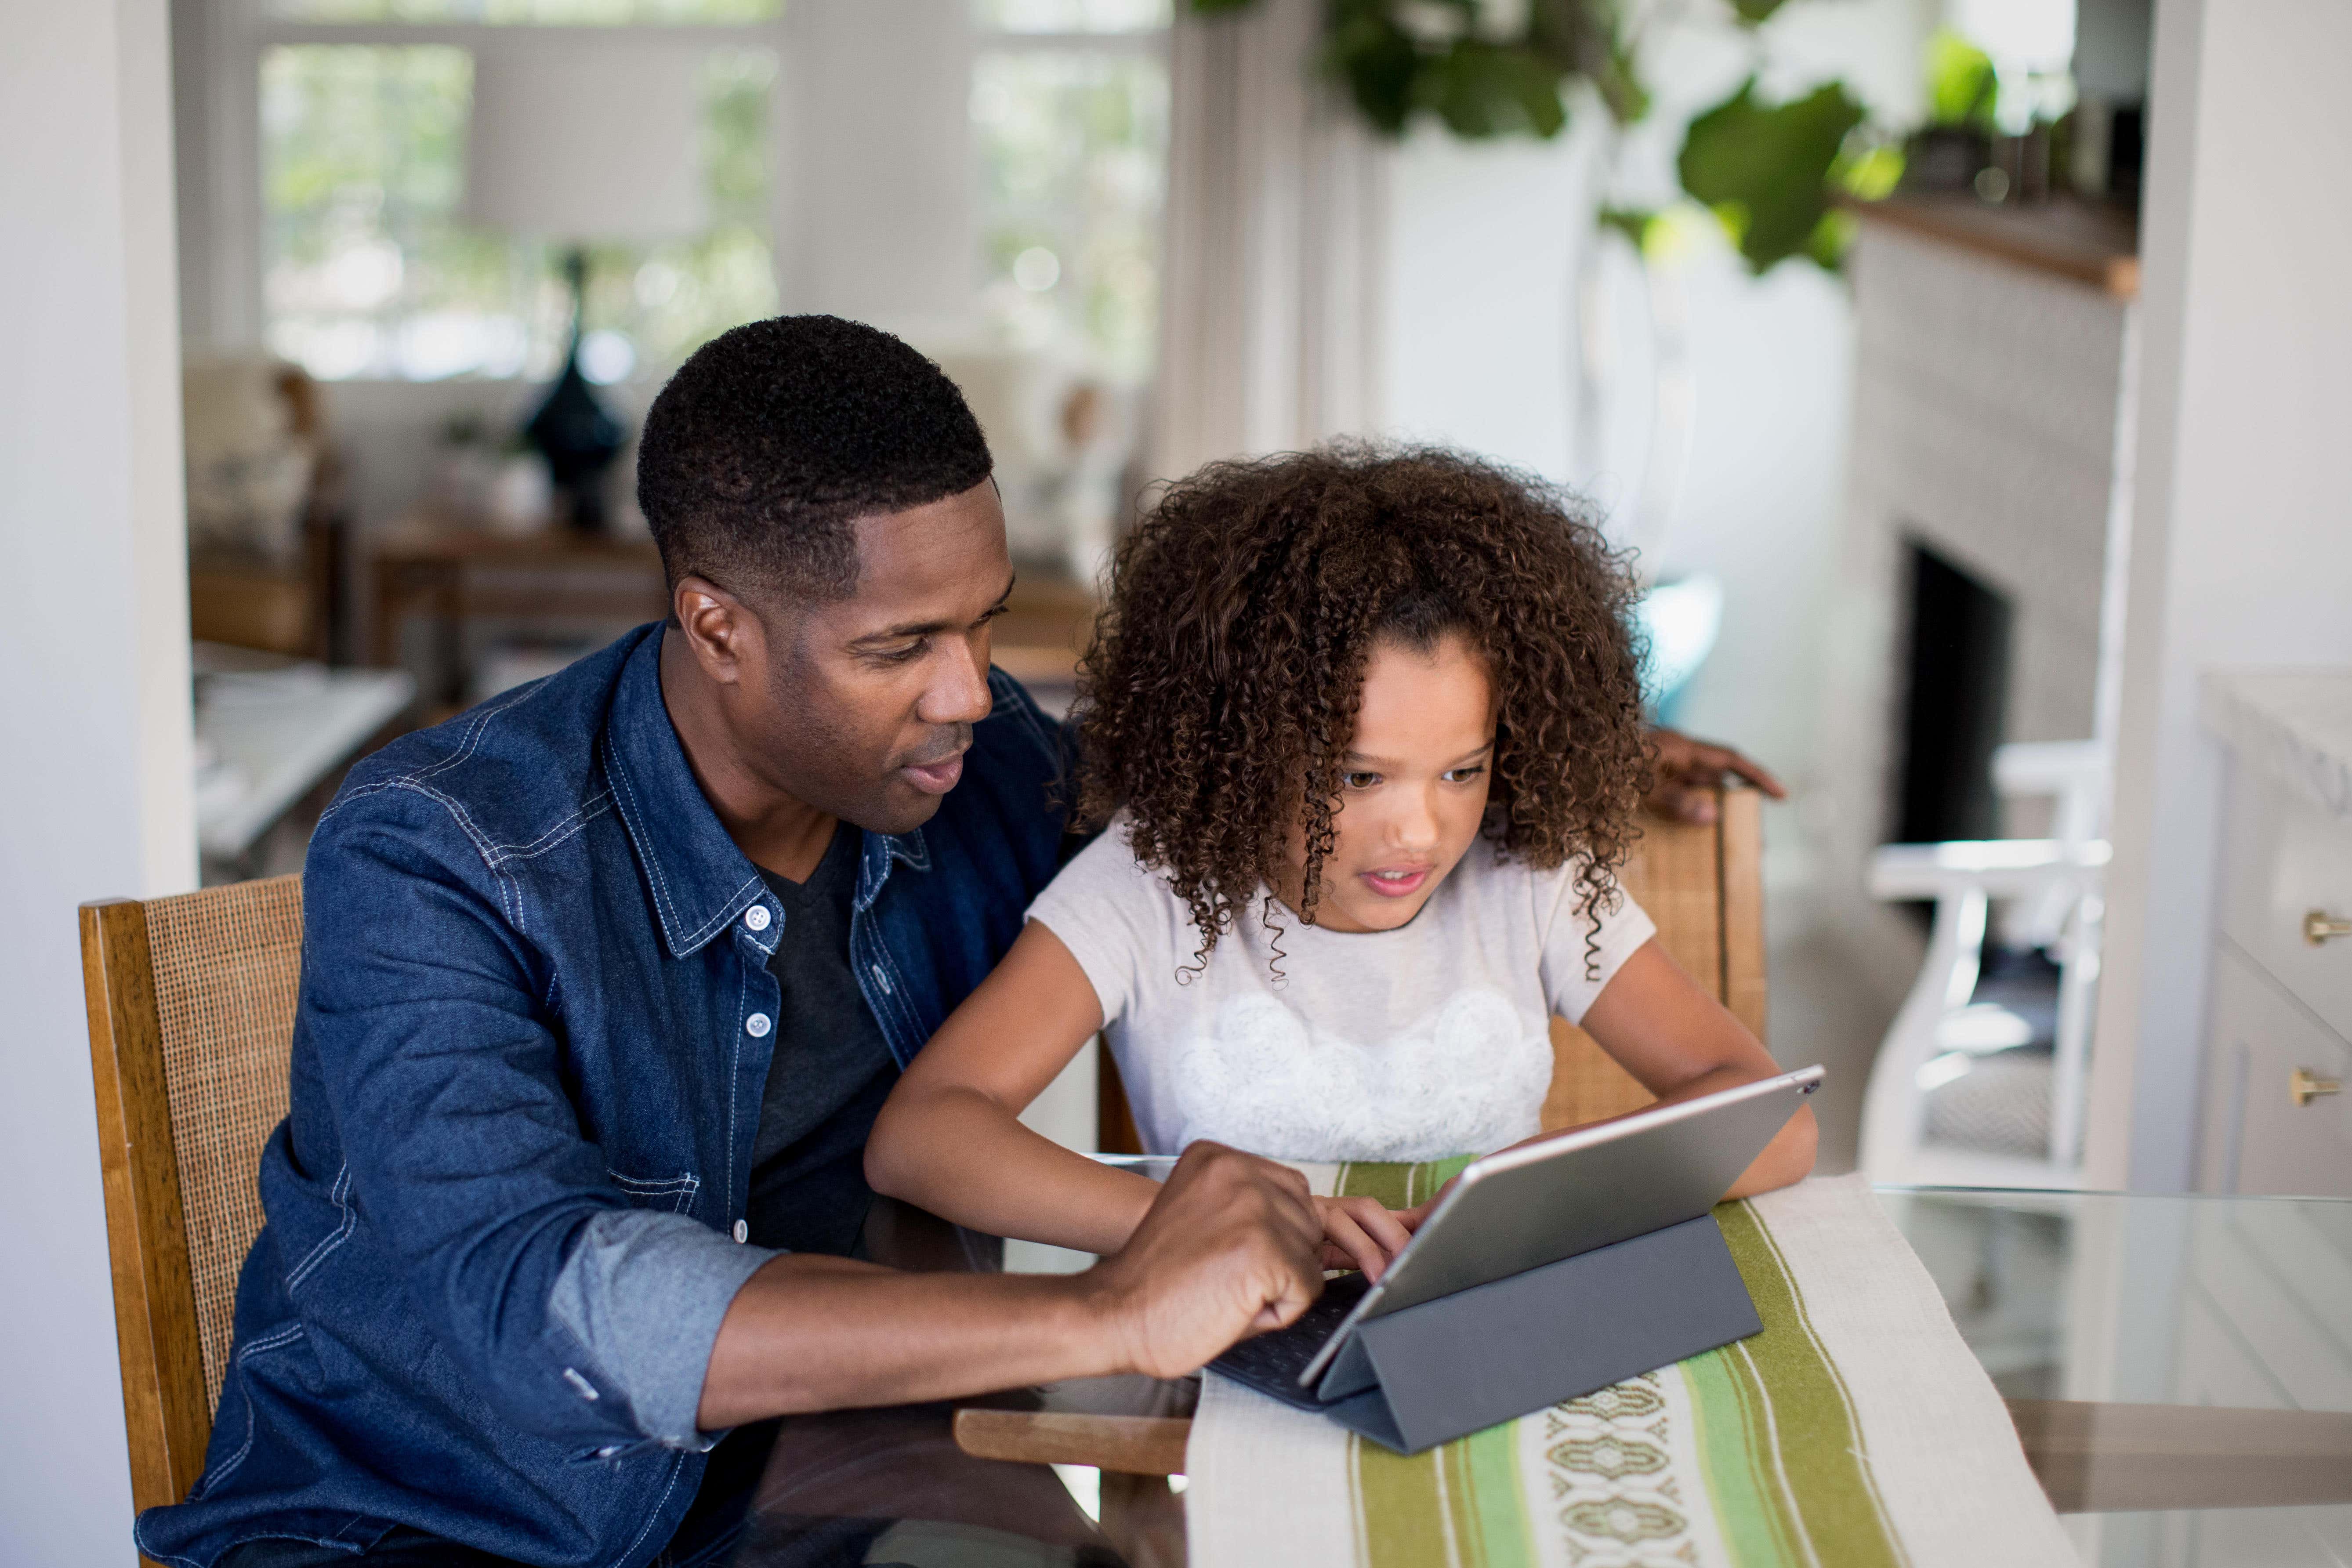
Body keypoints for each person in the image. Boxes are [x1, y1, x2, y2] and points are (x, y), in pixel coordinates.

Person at [143, 317, 1786, 1568]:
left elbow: (1253, 766)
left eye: (988, 621)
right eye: (901, 645)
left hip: (835, 1478)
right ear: (714, 623)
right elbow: (556, 1304)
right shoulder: (440, 846)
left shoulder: (977, 760)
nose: (968, 687)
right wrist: (1098, 1318)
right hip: (442, 1520)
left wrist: (1519, 759)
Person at [865, 447, 1815, 1276]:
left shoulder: (1530, 882)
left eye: (1461, 770)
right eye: (1358, 777)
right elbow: (925, 1137)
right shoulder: (1148, 891)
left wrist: (1516, 1203)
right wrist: (1214, 1219)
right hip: (1226, 1327)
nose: (1418, 831)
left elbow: (1778, 1121)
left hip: (1484, 1309)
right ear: (1238, 745)